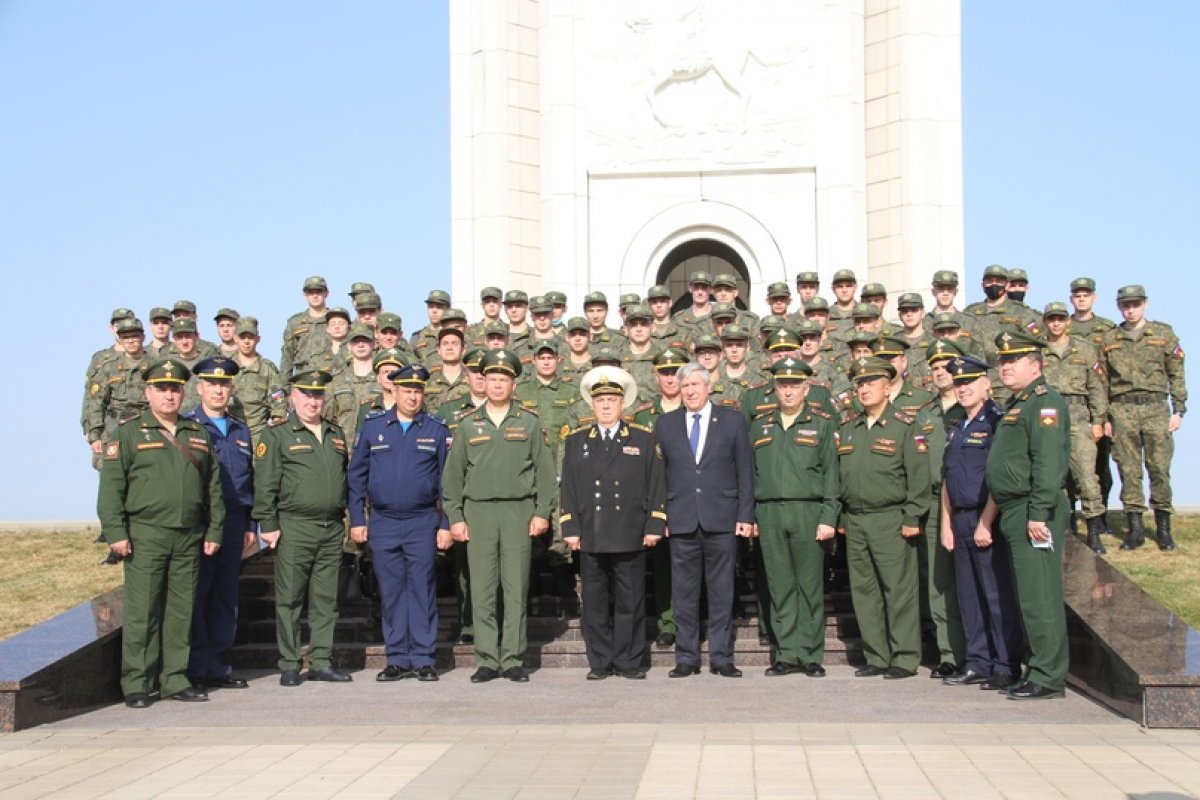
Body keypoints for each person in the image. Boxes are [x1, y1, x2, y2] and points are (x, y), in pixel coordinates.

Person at [97, 358, 225, 708]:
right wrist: (115, 533)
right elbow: (111, 488)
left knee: (181, 611)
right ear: (147, 392)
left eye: (175, 389)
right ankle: (137, 683)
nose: (169, 395)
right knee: (143, 612)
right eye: (161, 388)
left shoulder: (196, 433)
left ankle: (175, 679)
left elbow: (212, 486)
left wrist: (214, 529)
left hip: (188, 535)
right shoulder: (128, 432)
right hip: (145, 534)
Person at [442, 349, 557, 683]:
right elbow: (452, 477)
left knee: (515, 587)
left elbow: (545, 473)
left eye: (503, 379)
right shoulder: (466, 425)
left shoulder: (529, 422)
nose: (496, 385)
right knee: (482, 588)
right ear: (482, 382)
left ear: (513, 383)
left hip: (517, 512)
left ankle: (513, 657)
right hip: (478, 513)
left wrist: (541, 512)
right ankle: (487, 658)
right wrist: (456, 516)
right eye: (491, 378)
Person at [560, 366, 666, 680]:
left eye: (611, 400)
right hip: (591, 532)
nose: (606, 405)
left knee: (630, 601)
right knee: (593, 602)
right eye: (601, 400)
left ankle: (629, 660)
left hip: (629, 532)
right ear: (592, 405)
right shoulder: (577, 441)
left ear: (623, 405)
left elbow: (656, 484)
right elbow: (567, 487)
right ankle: (600, 662)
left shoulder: (643, 439)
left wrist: (654, 525)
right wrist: (570, 527)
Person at [348, 364, 452, 683]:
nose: (412, 396)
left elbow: (449, 482)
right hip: (383, 520)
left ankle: (422, 658)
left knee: (421, 589)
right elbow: (356, 475)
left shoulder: (436, 430)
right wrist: (356, 518)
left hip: (422, 520)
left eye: (417, 391)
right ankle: (396, 657)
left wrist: (445, 523)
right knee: (391, 590)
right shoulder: (373, 427)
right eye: (406, 390)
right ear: (393, 391)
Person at [653, 362, 754, 678]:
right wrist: (660, 517)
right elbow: (658, 475)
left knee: (722, 591)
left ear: (709, 386)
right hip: (681, 518)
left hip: (721, 519)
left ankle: (722, 657)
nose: (690, 391)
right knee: (683, 592)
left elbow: (745, 471)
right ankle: (686, 657)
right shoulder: (666, 424)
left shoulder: (732, 421)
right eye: (685, 386)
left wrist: (745, 514)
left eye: (696, 385)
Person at [252, 370, 353, 687]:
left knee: (325, 600)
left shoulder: (335, 434)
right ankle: (290, 663)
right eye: (306, 394)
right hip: (294, 526)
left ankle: (321, 661)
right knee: (290, 599)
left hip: (331, 527)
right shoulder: (277, 435)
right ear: (292, 397)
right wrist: (267, 523)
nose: (313, 401)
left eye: (318, 395)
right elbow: (265, 484)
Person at [985, 331, 1069, 700]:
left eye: (1013, 361)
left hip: (1033, 510)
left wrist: (1038, 513)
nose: (1005, 367)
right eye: (1002, 361)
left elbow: (1048, 463)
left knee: (1041, 597)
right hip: (1015, 508)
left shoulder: (1044, 403)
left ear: (1035, 366)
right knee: (1027, 597)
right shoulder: (1019, 404)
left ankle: (1048, 676)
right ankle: (1036, 668)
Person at [837, 356, 931, 680]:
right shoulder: (849, 428)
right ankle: (876, 656)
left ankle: (904, 658)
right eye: (860, 383)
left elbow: (919, 477)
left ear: (888, 387)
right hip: (857, 520)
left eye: (871, 382)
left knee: (898, 590)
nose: (864, 389)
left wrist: (912, 516)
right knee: (865, 592)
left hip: (891, 519)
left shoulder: (904, 426)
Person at [750, 357, 839, 678]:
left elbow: (832, 475)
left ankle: (811, 654)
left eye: (794, 386)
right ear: (775, 389)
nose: (788, 392)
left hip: (808, 511)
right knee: (780, 586)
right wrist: (752, 516)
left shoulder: (821, 425)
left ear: (806, 389)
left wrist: (829, 516)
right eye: (782, 386)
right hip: (770, 513)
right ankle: (786, 653)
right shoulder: (759, 426)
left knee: (810, 586)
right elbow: (751, 474)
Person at [939, 355, 1024, 691]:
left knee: (995, 595)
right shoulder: (957, 425)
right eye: (958, 383)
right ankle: (978, 662)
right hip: (959, 518)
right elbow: (947, 477)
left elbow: (998, 478)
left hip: (985, 518)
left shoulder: (997, 421)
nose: (963, 389)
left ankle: (1005, 665)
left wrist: (986, 522)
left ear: (987, 384)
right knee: (969, 596)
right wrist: (946, 523)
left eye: (969, 382)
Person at [185, 357, 257, 690]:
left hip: (234, 520)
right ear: (199, 388)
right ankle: (196, 668)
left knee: (226, 596)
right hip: (202, 522)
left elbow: (247, 479)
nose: (219, 390)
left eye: (224, 384)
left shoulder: (241, 428)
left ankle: (219, 665)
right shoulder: (190, 427)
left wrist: (249, 525)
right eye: (212, 384)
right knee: (200, 593)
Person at [1101, 285, 1186, 551]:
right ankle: (1135, 529)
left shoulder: (1163, 334)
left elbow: (1176, 374)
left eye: (1135, 304)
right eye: (1126, 305)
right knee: (1128, 470)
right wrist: (1104, 417)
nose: (1131, 309)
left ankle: (1163, 529)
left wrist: (1178, 409)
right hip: (1122, 409)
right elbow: (1101, 382)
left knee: (1159, 468)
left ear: (1145, 304)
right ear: (1119, 307)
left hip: (1155, 408)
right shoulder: (1109, 339)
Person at [1039, 302, 1109, 554]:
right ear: (1045, 322)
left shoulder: (1086, 350)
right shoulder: (1037, 351)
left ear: (1068, 321)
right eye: (1051, 319)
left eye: (1059, 319)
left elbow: (1096, 387)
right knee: (1053, 477)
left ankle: (1094, 531)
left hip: (1079, 417)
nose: (1055, 323)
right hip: (1048, 417)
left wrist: (1099, 420)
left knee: (1086, 477)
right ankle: (1064, 529)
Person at [280, 276, 331, 377]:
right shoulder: (295, 322)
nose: (315, 296)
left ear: (326, 293)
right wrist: (285, 387)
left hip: (329, 378)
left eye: (319, 291)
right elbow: (287, 357)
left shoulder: (336, 321)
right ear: (305, 295)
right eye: (311, 292)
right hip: (302, 378)